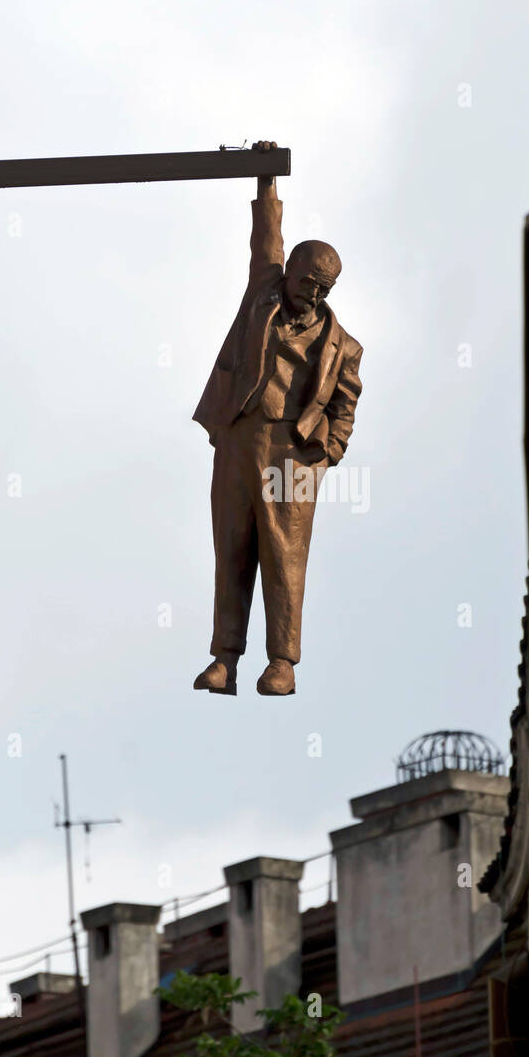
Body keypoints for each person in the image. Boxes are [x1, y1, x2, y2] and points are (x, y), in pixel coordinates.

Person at [192, 139, 363, 696]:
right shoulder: (261, 295)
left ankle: (281, 662)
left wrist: (329, 451)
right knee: (232, 546)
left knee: (284, 556)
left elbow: (346, 403)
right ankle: (224, 658)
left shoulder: (344, 346)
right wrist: (266, 182)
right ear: (288, 272)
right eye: (308, 279)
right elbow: (264, 239)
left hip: (293, 452)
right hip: (240, 438)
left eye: (324, 287)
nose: (314, 292)